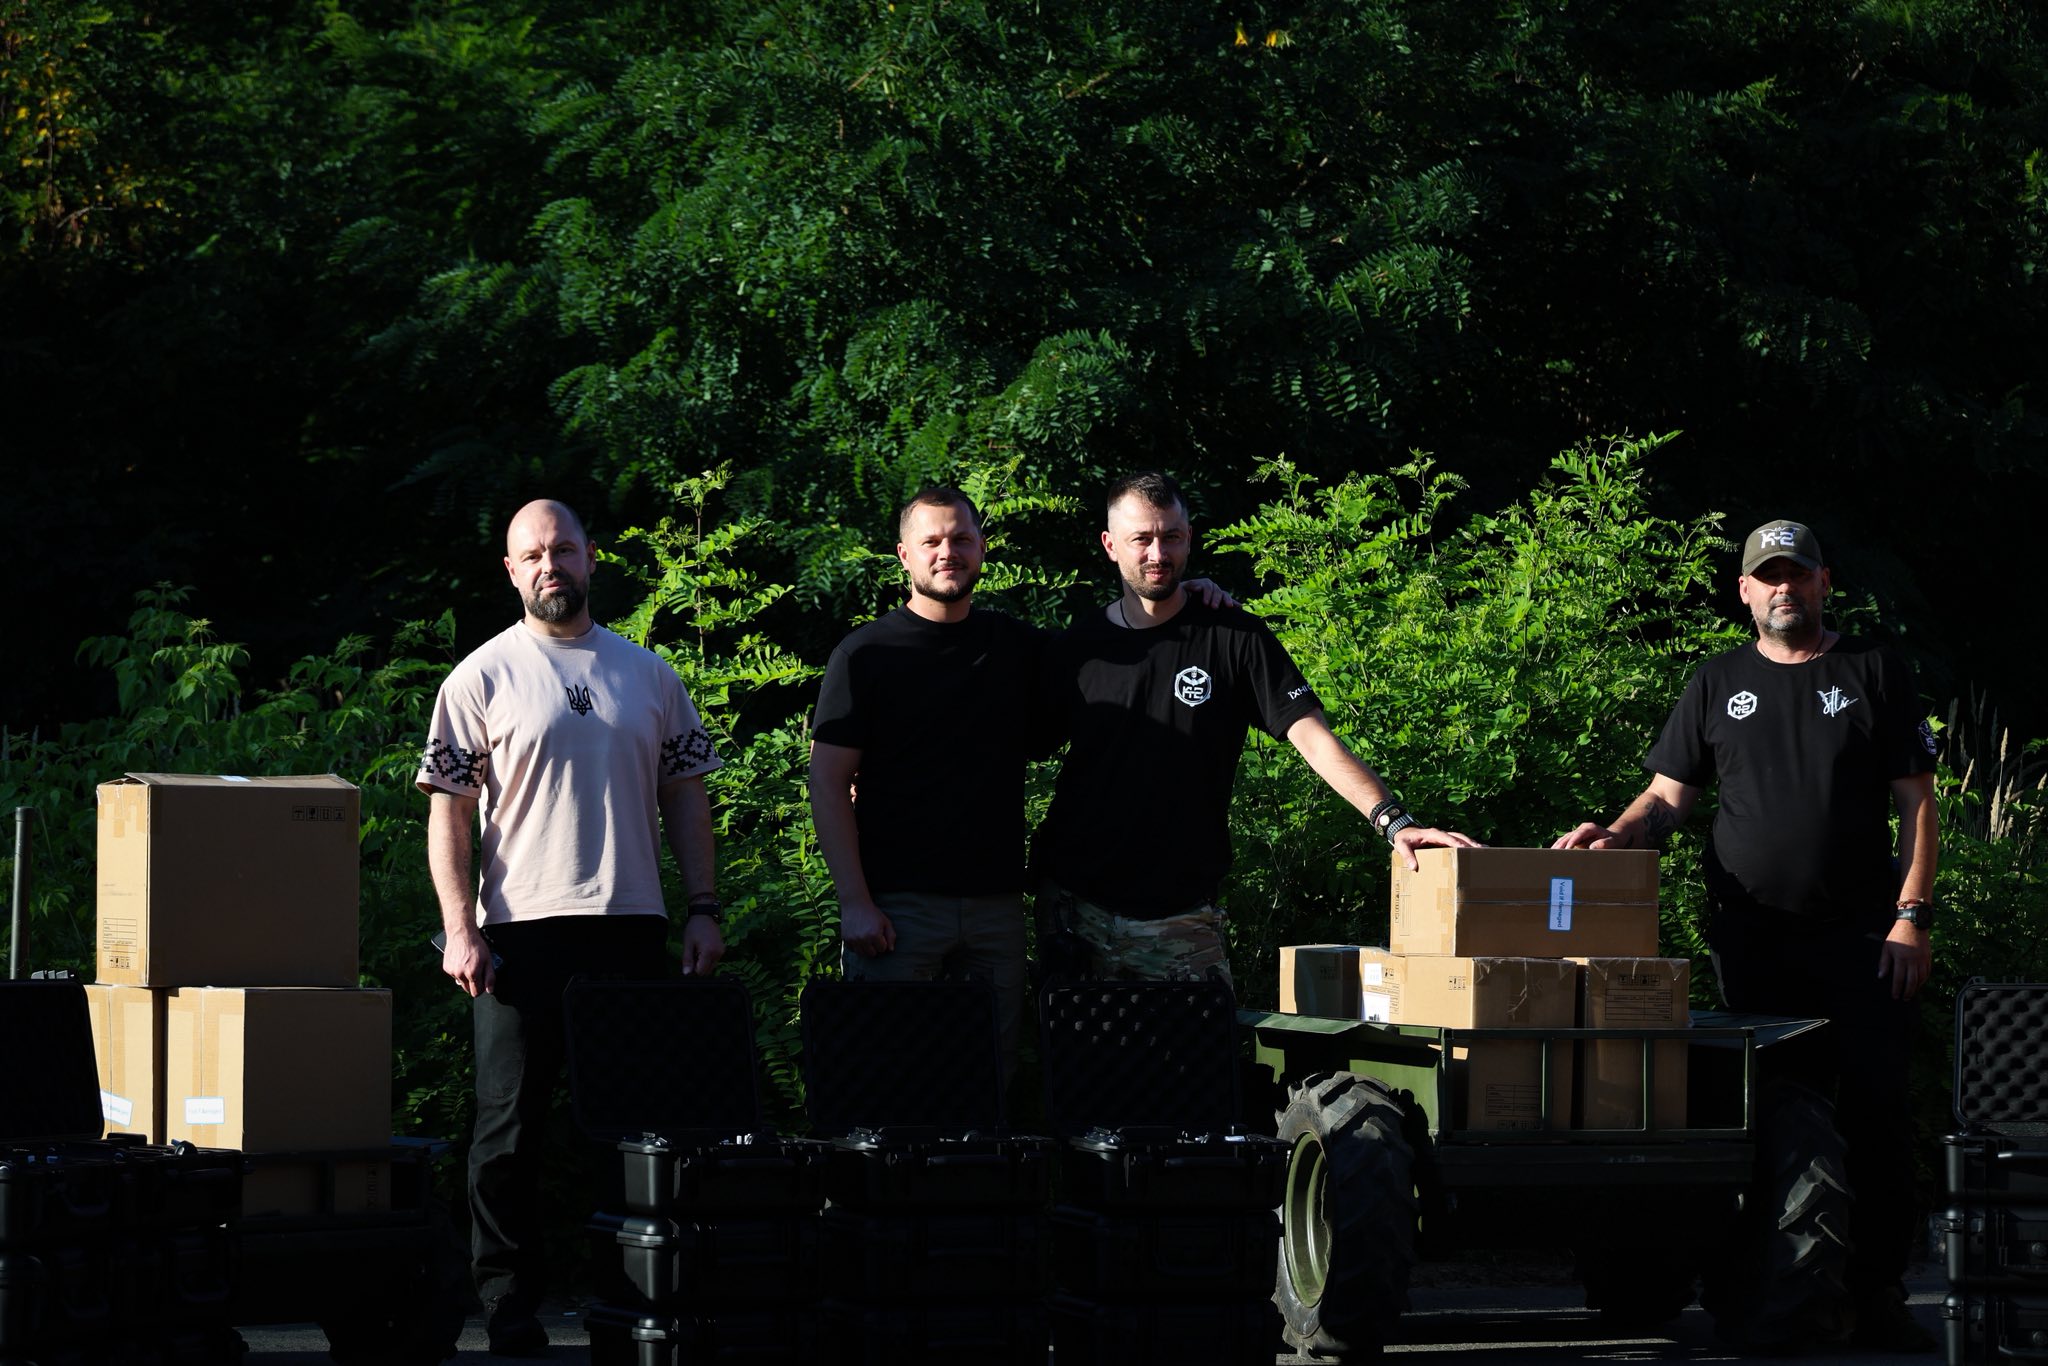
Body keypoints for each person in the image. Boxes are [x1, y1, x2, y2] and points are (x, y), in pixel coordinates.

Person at [1553, 517, 1938, 1352]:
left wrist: (1911, 917)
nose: (1783, 588)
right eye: (1768, 576)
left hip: (1865, 940)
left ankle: (1875, 1292)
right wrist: (1614, 837)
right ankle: (1769, 1286)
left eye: (1797, 574)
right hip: (1752, 942)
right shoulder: (1716, 681)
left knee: (1875, 1114)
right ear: (1744, 592)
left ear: (1824, 582)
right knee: (1764, 1116)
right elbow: (1667, 797)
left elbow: (1917, 804)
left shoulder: (1873, 670)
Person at [418, 499, 725, 1357]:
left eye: (562, 549)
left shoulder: (650, 675)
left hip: (630, 927)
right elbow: (449, 813)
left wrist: (703, 908)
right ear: (511, 572)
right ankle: (509, 1313)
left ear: (591, 557)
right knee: (506, 1136)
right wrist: (460, 929)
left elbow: (686, 798)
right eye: (532, 555)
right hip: (518, 937)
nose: (549, 565)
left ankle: (624, 1310)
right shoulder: (479, 677)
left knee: (629, 1136)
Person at [1032, 470, 1479, 986]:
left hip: (1182, 916)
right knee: (1076, 1042)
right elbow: (1016, 745)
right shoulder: (1076, 648)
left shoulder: (1235, 637)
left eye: (1171, 536)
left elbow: (1313, 738)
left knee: (1199, 1041)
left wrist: (1393, 822)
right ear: (1111, 545)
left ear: (1189, 537)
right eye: (1141, 539)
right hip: (1075, 912)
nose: (1158, 553)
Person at [809, 489, 1042, 1082]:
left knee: (988, 1088)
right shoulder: (864, 654)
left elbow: (1115, 647)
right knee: (889, 1087)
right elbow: (828, 783)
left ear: (982, 548)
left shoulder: (1017, 647)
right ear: (904, 555)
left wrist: (1189, 597)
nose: (947, 552)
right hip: (895, 912)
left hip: (996, 908)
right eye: (932, 541)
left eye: (961, 538)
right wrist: (854, 902)